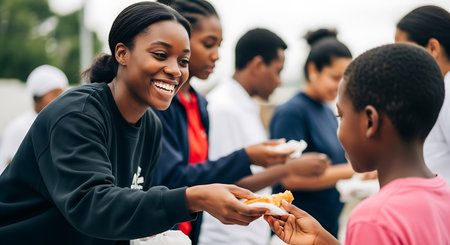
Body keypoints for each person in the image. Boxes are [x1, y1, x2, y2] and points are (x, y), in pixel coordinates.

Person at [0, 2, 269, 244]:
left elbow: (127, 217)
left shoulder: (151, 126)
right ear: (122, 54)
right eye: (161, 55)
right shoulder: (78, 114)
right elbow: (92, 205)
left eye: (183, 60)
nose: (176, 70)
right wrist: (193, 197)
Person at [151, 1, 319, 244]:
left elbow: (205, 173)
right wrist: (252, 158)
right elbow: (174, 178)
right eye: (208, 44)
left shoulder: (199, 103)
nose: (217, 56)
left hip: (189, 232)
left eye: (219, 46)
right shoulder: (167, 104)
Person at [265, 43, 450, 245]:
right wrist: (320, 240)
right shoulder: (444, 194)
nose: (338, 130)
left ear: (370, 121)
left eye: (341, 116)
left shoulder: (373, 219)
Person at [199, 28, 330, 245]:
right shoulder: (223, 107)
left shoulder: (244, 105)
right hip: (226, 237)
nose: (279, 82)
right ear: (258, 65)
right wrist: (289, 169)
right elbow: (222, 181)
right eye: (278, 71)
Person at [269, 28, 354, 237]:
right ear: (313, 69)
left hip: (326, 226)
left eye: (346, 79)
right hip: (296, 230)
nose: (341, 86)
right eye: (335, 77)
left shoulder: (327, 109)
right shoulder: (291, 112)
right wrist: (354, 170)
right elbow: (289, 178)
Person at [395, 5, 450, 184]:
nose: (400, 64)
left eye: (404, 53)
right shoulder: (439, 91)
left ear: (432, 48)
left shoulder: (448, 92)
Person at [0, 65, 68, 174]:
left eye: (62, 94)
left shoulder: (61, 124)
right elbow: (10, 169)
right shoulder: (19, 127)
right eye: (54, 94)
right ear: (38, 97)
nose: (61, 99)